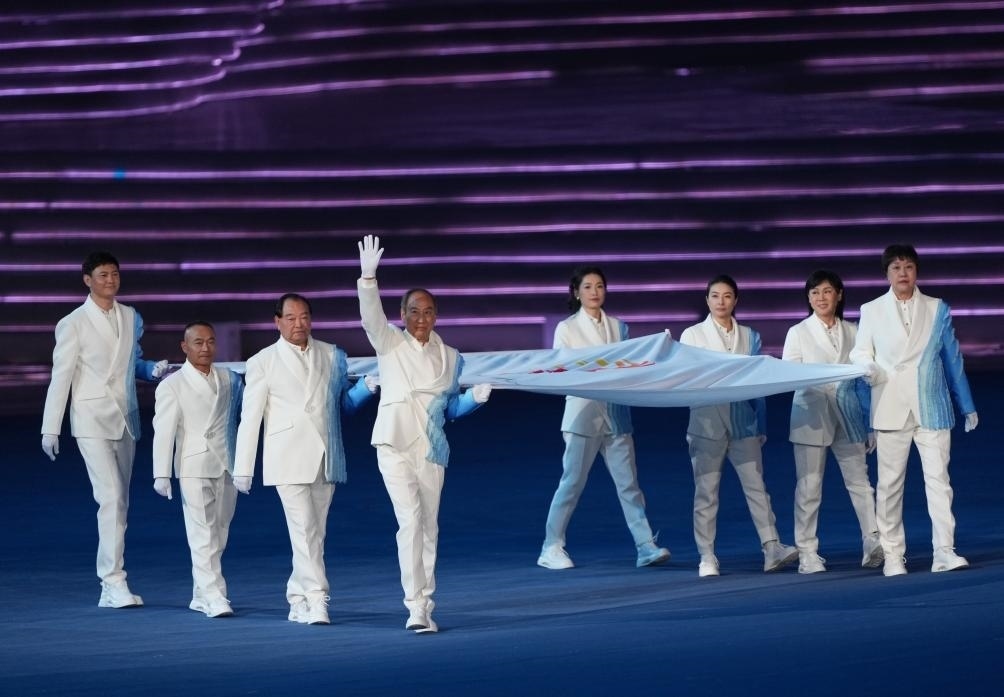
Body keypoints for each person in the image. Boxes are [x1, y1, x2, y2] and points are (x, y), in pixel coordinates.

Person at [357, 235, 491, 634]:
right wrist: (368, 279)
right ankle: (414, 605)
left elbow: (450, 410)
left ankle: (426, 604)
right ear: (402, 314)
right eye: (414, 311)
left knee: (429, 525)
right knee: (411, 521)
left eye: (428, 311)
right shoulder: (390, 343)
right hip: (394, 443)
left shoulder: (450, 358)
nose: (421, 318)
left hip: (432, 449)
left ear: (436, 316)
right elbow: (371, 319)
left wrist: (474, 400)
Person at [232, 293, 375, 625]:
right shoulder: (262, 361)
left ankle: (296, 597)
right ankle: (317, 598)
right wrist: (243, 468)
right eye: (291, 318)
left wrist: (365, 390)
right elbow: (250, 418)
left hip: (326, 455)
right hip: (286, 456)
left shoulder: (331, 354)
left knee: (314, 533)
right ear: (277, 321)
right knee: (304, 530)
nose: (299, 324)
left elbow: (343, 404)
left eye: (304, 317)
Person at [40, 250, 169, 608]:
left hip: (125, 417)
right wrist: (51, 427)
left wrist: (151, 370)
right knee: (110, 497)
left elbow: (130, 362)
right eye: (102, 275)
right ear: (88, 280)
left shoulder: (130, 316)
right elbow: (61, 376)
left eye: (114, 274)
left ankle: (112, 585)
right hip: (91, 418)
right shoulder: (73, 323)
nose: (110, 280)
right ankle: (113, 582)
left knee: (120, 501)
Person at [850, 244, 978, 576]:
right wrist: (868, 366)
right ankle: (893, 555)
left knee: (939, 481)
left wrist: (966, 404)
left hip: (931, 405)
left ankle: (944, 551)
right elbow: (860, 352)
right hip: (890, 403)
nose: (903, 273)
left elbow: (952, 358)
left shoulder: (937, 308)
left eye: (908, 266)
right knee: (890, 485)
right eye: (896, 267)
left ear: (916, 271)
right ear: (887, 274)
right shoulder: (871, 310)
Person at [537, 266, 670, 571]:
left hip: (616, 415)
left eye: (599, 286)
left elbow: (630, 367)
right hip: (582, 416)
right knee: (572, 483)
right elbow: (562, 371)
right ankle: (551, 546)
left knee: (629, 485)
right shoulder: (567, 328)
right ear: (576, 293)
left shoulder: (619, 327)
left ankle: (645, 546)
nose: (594, 292)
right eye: (588, 287)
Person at [678, 274, 798, 577]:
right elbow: (687, 378)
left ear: (735, 300)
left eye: (727, 295)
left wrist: (761, 423)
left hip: (744, 422)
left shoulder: (750, 335)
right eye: (715, 296)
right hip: (706, 422)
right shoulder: (692, 335)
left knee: (757, 487)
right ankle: (707, 556)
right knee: (706, 492)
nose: (721, 301)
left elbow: (757, 382)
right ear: (707, 300)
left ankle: (771, 547)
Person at [782, 270, 882, 574]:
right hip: (811, 416)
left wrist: (870, 423)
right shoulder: (798, 331)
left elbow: (864, 379)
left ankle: (873, 540)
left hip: (849, 416)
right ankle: (807, 552)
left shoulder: (854, 330)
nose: (820, 298)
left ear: (839, 294)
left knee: (860, 482)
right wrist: (828, 379)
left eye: (826, 291)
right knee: (809, 486)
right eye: (814, 293)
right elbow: (789, 375)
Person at [151, 321, 244, 617]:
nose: (206, 348)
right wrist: (161, 473)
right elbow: (164, 431)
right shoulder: (172, 385)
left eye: (211, 342)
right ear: (185, 346)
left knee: (220, 531)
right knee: (202, 532)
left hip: (226, 463)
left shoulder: (229, 379)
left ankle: (200, 593)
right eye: (198, 342)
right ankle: (215, 595)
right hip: (193, 464)